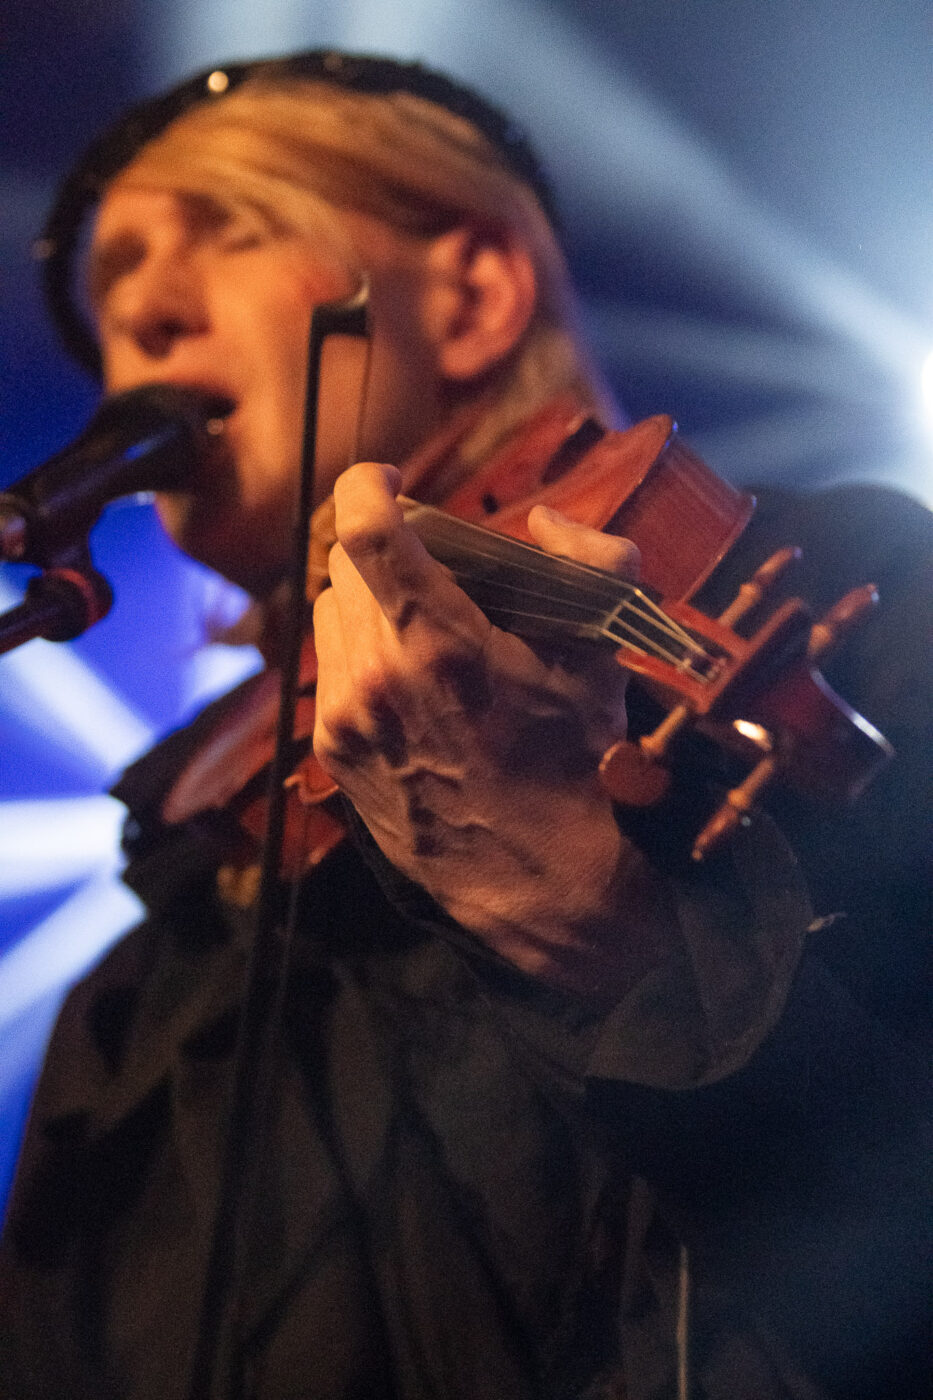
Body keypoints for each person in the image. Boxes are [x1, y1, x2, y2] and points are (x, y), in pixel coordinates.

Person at [0, 51, 929, 1400]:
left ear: (475, 294)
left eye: (234, 228)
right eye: (109, 306)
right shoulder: (147, 988)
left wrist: (581, 914)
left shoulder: (848, 587)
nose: (137, 310)